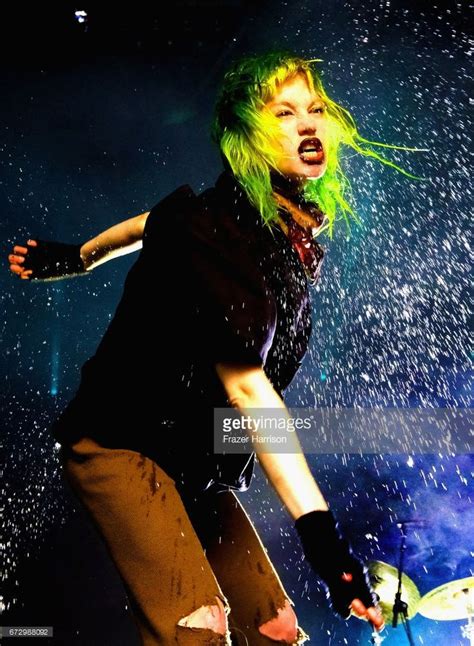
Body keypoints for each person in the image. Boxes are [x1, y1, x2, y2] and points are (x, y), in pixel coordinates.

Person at [7, 50, 402, 645]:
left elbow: (147, 224)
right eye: (283, 112)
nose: (307, 123)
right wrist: (324, 543)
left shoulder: (260, 225)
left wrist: (81, 258)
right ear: (246, 136)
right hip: (120, 440)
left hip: (191, 455)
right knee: (199, 628)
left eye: (314, 109)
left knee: (275, 627)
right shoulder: (220, 235)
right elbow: (248, 389)